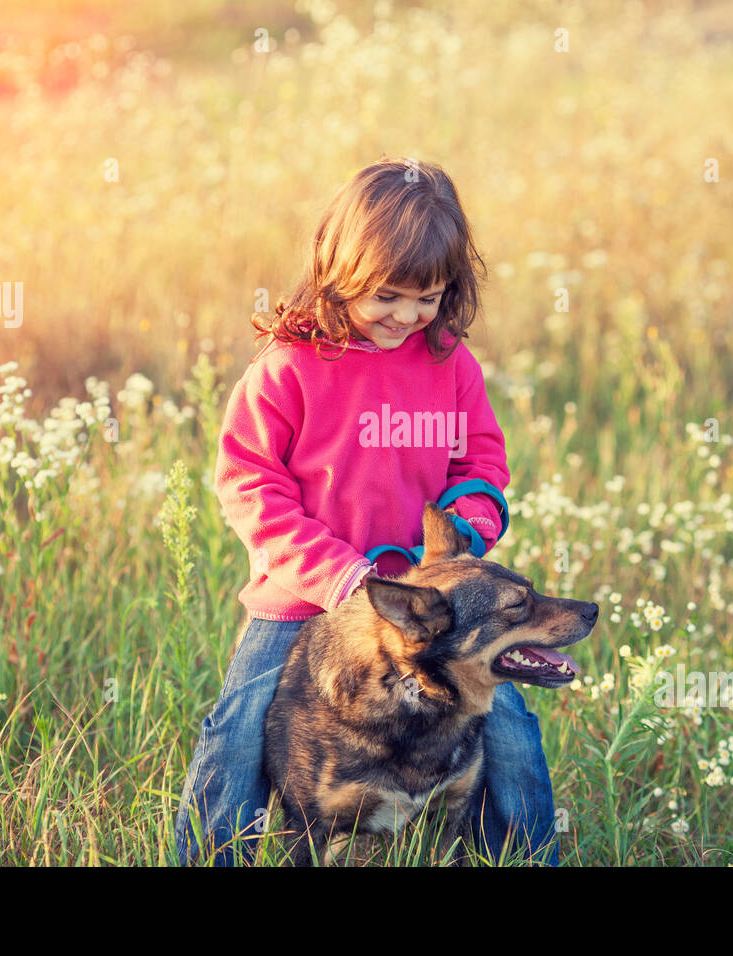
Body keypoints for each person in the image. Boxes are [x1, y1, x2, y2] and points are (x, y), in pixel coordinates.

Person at [172, 158, 558, 866]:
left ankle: (525, 854)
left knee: (509, 729)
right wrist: (341, 577)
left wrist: (466, 526)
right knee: (238, 724)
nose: (408, 317)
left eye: (428, 298)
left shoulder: (450, 364)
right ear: (338, 269)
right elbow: (250, 486)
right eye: (388, 296)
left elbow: (483, 464)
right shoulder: (290, 369)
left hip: (430, 605)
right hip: (304, 597)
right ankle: (209, 855)